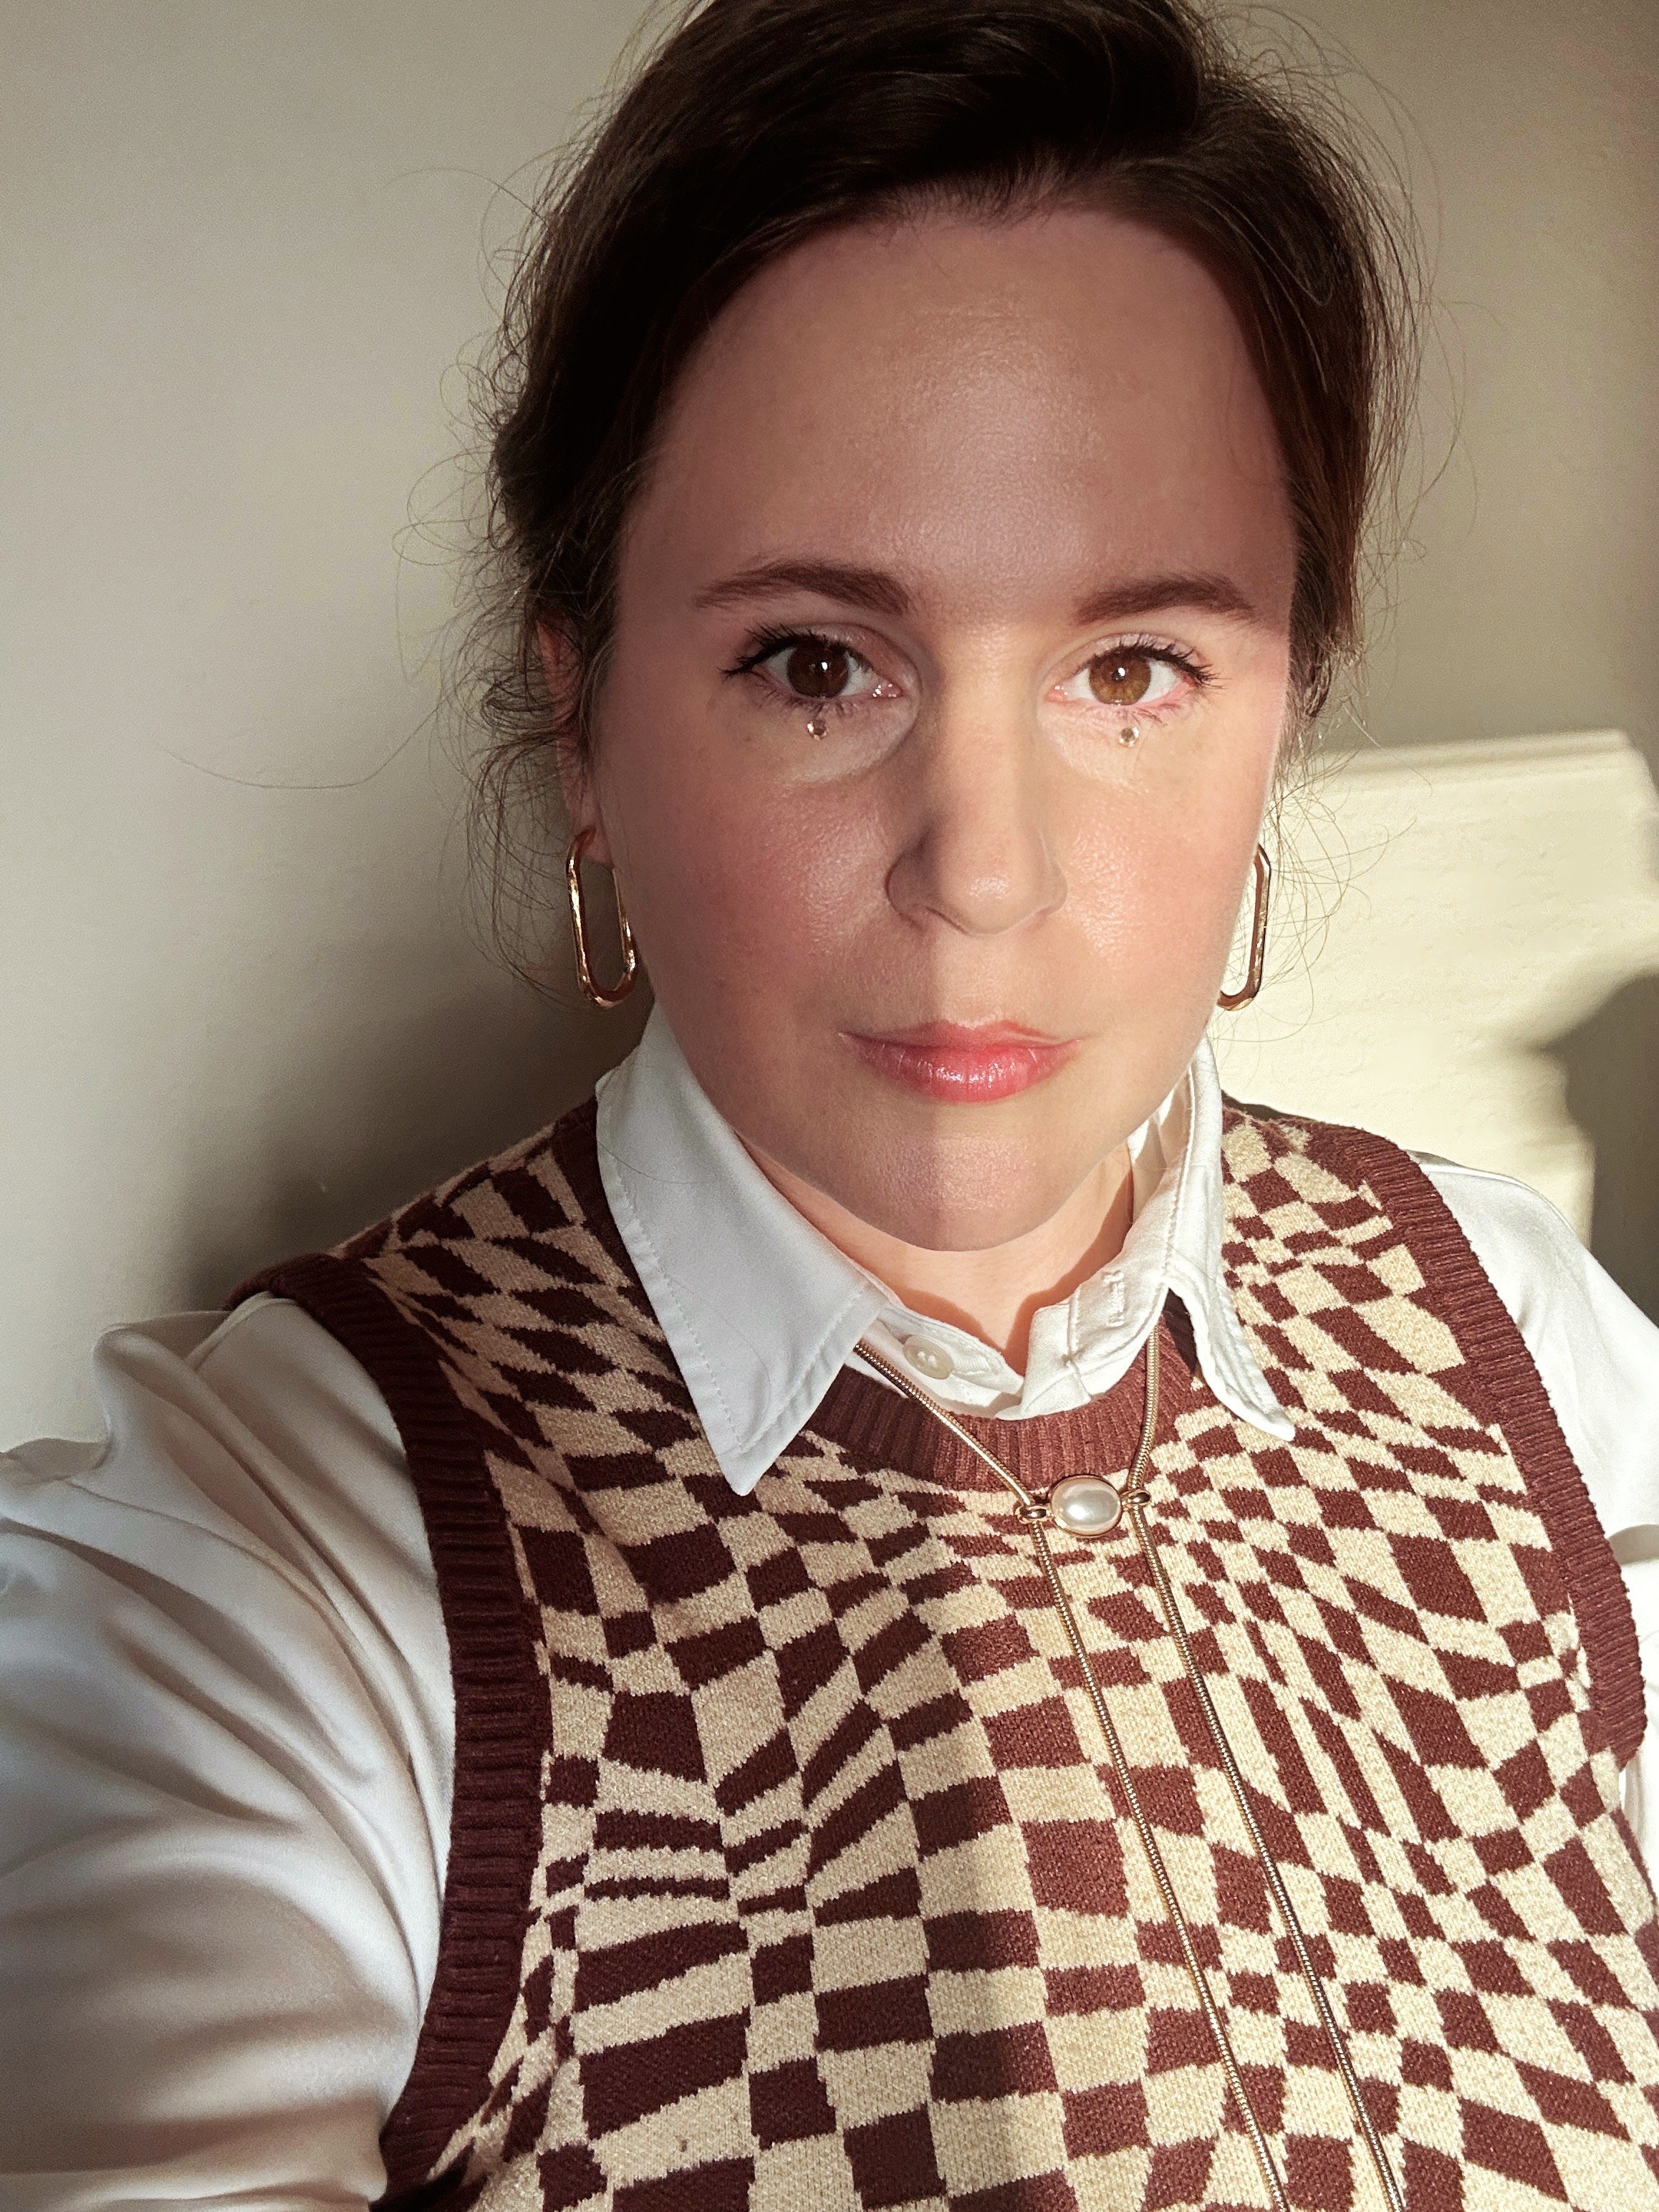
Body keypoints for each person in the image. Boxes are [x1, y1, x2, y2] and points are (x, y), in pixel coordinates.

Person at [4, 1, 1658, 2207]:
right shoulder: (281, 1563)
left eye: (1134, 664)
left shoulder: (1522, 1332)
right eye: (814, 661)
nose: (980, 869)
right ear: (579, 715)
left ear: (1290, 698)